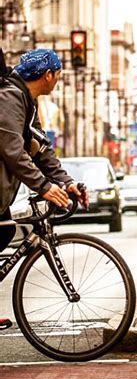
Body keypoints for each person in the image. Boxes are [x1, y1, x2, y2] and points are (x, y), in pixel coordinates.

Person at [0, 49, 89, 329]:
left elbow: (40, 150)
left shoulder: (28, 101)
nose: (59, 80)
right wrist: (44, 187)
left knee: (4, 231)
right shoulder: (9, 98)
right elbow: (13, 150)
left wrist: (66, 182)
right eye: (59, 75)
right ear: (48, 75)